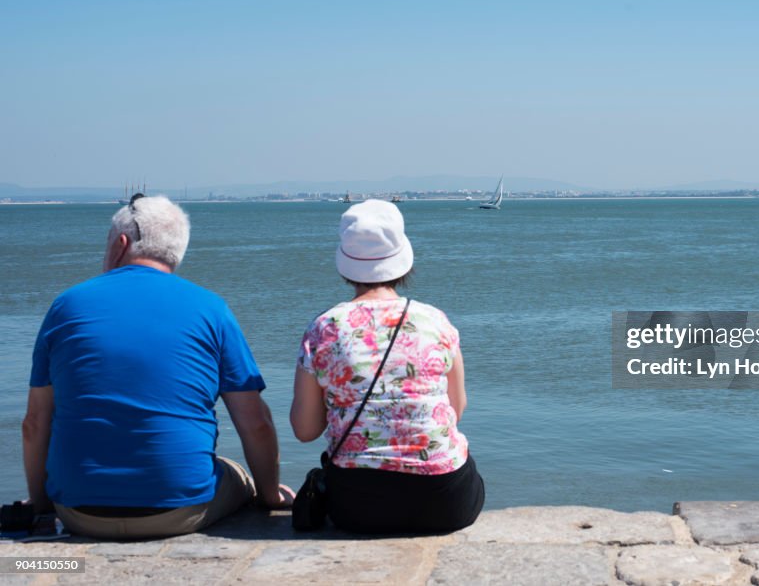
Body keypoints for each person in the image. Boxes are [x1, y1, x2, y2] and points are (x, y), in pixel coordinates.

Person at [22, 194, 294, 539]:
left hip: (79, 512)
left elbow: (34, 424)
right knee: (235, 473)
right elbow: (255, 423)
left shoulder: (66, 306)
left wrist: (43, 505)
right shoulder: (211, 309)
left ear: (121, 244)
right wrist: (270, 497)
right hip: (178, 511)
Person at [290, 199, 484, 533]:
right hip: (445, 503)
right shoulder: (435, 321)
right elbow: (456, 409)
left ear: (346, 265)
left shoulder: (324, 328)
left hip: (357, 506)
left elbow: (305, 431)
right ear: (402, 262)